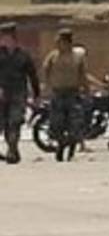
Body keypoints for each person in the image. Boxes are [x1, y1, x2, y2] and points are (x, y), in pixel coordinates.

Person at [42, 27, 88, 163]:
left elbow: (83, 75)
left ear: (68, 42)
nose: (58, 44)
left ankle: (71, 148)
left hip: (73, 94)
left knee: (75, 126)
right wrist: (47, 87)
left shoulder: (78, 56)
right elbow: (46, 71)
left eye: (61, 41)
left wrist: (87, 90)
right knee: (56, 126)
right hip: (58, 94)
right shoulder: (53, 56)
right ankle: (61, 146)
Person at [0, 21, 40, 165]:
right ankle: (13, 150)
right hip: (2, 94)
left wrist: (36, 95)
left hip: (18, 93)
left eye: (6, 37)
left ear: (13, 37)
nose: (3, 40)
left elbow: (32, 75)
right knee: (5, 124)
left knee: (15, 122)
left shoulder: (23, 55)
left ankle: (12, 150)